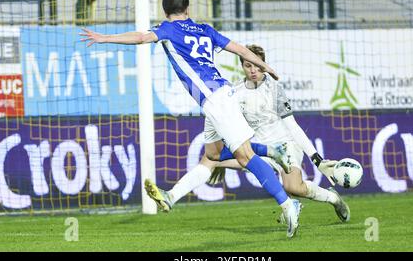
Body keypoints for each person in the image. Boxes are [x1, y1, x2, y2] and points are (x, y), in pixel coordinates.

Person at [80, 0, 301, 238]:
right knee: (213, 154)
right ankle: (173, 195)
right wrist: (265, 66)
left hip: (216, 99)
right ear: (188, 9)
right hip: (217, 97)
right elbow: (239, 49)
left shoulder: (168, 30)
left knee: (244, 156)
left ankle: (287, 203)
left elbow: (141, 37)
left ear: (165, 12)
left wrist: (104, 38)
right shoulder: (204, 29)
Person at [146, 44, 350, 224]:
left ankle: (333, 199)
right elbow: (227, 126)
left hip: (285, 145)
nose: (253, 70)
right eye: (248, 66)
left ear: (264, 65)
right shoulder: (236, 93)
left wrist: (317, 159)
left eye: (258, 66)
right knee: (210, 158)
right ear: (242, 66)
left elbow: (293, 126)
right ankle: (171, 196)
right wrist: (221, 157)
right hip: (257, 148)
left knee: (294, 187)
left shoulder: (275, 89)